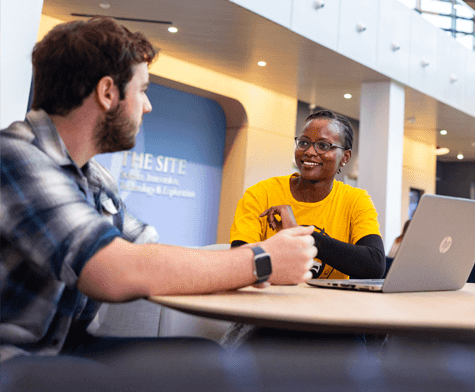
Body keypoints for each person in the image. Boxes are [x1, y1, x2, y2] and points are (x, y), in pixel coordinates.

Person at [0, 18, 318, 363]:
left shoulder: (94, 178)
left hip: (67, 349)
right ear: (108, 92)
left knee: (206, 357)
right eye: (143, 90)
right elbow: (113, 270)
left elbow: (146, 252)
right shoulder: (15, 158)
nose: (147, 106)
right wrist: (262, 261)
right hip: (16, 362)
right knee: (216, 366)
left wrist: (264, 254)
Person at [230, 109, 385, 281]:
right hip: (270, 302)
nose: (309, 152)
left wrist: (304, 235)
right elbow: (238, 263)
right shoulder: (261, 194)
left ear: (345, 157)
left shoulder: (356, 200)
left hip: (330, 306)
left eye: (323, 145)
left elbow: (375, 265)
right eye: (304, 143)